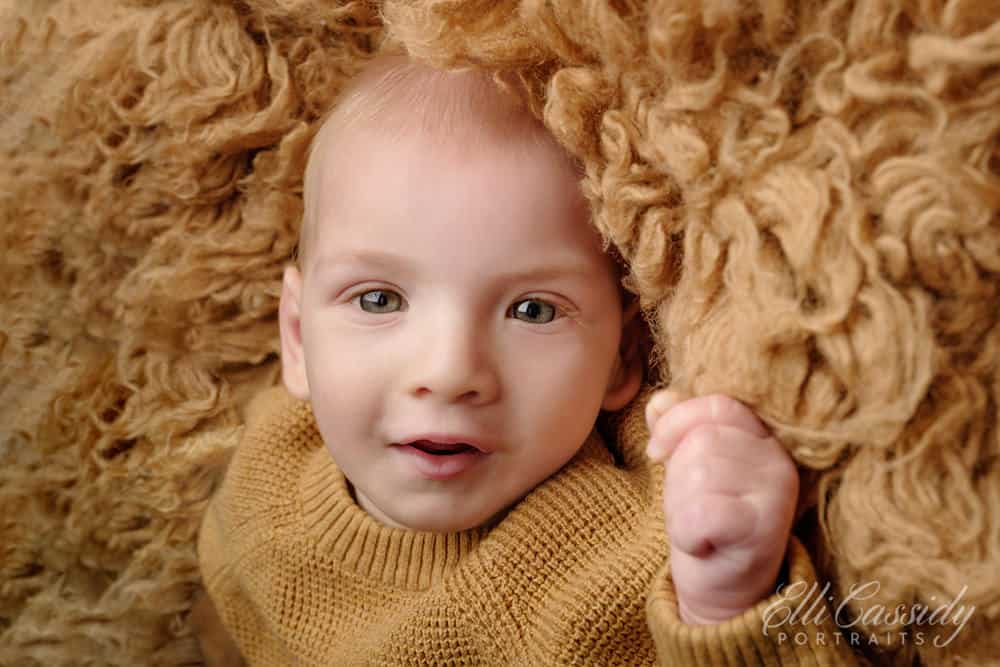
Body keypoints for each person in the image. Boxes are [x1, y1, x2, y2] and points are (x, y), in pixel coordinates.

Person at [195, 53, 858, 665]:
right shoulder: (262, 480)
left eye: (532, 310)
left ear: (623, 355)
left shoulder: (638, 551)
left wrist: (726, 598)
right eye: (378, 298)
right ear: (299, 337)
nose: (450, 371)